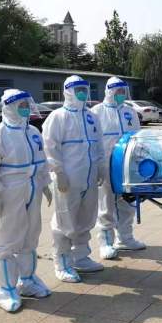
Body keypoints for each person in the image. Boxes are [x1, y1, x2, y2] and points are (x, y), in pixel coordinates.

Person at [0, 89, 53, 312]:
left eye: (27, 105)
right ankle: (6, 289)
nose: (26, 109)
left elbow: (41, 160)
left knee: (30, 237)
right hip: (9, 192)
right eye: (21, 105)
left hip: (33, 189)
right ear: (9, 107)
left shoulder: (33, 131)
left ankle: (27, 280)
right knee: (6, 240)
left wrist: (45, 183)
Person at [43, 75, 106, 283]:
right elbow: (49, 147)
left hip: (89, 177)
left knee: (85, 217)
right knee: (65, 220)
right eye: (78, 89)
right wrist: (58, 172)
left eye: (84, 89)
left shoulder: (91, 116)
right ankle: (62, 263)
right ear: (68, 91)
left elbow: (98, 144)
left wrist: (100, 167)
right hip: (68, 178)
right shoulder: (58, 117)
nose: (82, 93)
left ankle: (81, 257)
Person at [92, 77, 145, 261]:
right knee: (106, 204)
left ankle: (125, 238)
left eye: (123, 91)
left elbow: (138, 138)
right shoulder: (97, 112)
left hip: (126, 165)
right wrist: (97, 166)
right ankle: (106, 242)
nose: (121, 95)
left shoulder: (129, 112)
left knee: (127, 202)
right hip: (106, 165)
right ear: (109, 91)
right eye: (118, 91)